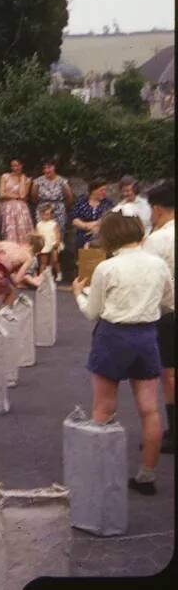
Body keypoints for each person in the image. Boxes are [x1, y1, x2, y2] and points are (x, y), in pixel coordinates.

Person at [72, 212, 173, 495]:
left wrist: (79, 292)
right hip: (146, 336)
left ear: (111, 237)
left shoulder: (107, 268)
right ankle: (147, 475)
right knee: (149, 409)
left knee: (104, 407)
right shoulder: (159, 265)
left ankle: (98, 475)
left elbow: (92, 312)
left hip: (113, 337)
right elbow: (169, 302)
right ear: (139, 233)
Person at [143, 181, 175, 454]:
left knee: (170, 373)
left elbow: (146, 275)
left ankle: (173, 432)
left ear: (156, 209)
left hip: (169, 312)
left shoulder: (158, 238)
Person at [31, 159, 74, 234]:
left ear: (54, 167)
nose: (47, 170)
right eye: (44, 168)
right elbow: (34, 197)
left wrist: (62, 206)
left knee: (57, 233)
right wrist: (43, 206)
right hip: (42, 209)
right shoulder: (37, 181)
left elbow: (69, 197)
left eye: (49, 167)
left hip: (58, 210)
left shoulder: (62, 181)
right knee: (42, 232)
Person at [72, 179, 114, 249]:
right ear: (93, 190)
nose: (104, 193)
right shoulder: (81, 201)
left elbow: (110, 218)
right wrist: (87, 226)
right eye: (102, 190)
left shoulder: (108, 203)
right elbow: (75, 220)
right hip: (83, 235)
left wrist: (98, 226)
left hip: (101, 236)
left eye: (105, 190)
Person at [0, 158, 34, 243]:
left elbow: (22, 195)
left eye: (18, 165)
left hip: (21, 209)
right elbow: (2, 194)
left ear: (21, 166)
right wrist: (15, 197)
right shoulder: (5, 176)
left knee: (23, 233)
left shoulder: (25, 179)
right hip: (8, 208)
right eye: (13, 166)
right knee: (10, 233)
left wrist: (22, 178)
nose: (16, 168)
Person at [35, 203, 64, 281]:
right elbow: (37, 235)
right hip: (44, 245)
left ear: (51, 215)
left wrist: (57, 242)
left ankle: (58, 273)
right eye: (44, 214)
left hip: (53, 243)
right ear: (41, 214)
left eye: (48, 214)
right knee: (43, 262)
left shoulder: (54, 224)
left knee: (55, 260)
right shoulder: (39, 224)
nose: (46, 216)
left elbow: (58, 234)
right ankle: (41, 276)